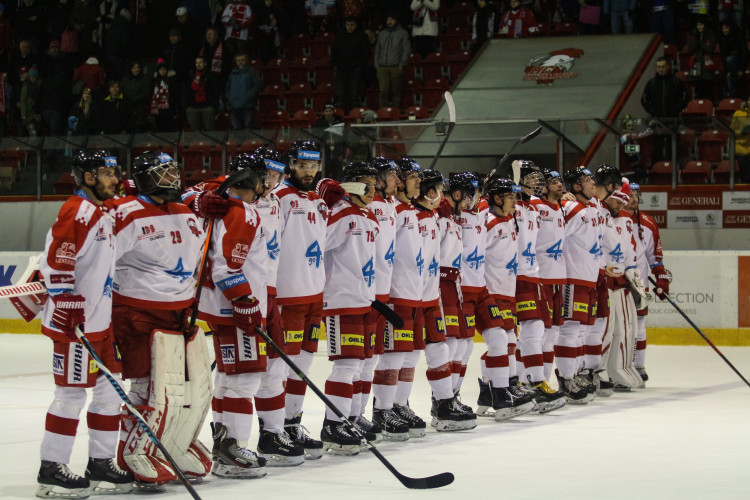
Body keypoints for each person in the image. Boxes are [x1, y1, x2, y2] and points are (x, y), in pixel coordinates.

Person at [108, 152, 212, 487]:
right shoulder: (126, 214)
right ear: (145, 178)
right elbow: (101, 259)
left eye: (172, 170)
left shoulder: (184, 211)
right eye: (162, 172)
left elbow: (198, 257)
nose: (172, 177)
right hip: (137, 312)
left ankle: (168, 444)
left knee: (187, 387)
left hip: (178, 313)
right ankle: (132, 451)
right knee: (147, 385)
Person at [36, 150, 134, 498]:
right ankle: (51, 469)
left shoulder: (103, 212)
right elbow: (58, 255)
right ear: (88, 177)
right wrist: (64, 298)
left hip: (100, 323)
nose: (115, 179)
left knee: (109, 395)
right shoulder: (77, 209)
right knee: (71, 394)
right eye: (107, 173)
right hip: (73, 323)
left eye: (116, 172)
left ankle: (101, 461)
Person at [193, 155, 273, 478]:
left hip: (218, 307)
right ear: (252, 182)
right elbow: (228, 265)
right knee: (245, 378)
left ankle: (224, 445)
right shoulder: (243, 212)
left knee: (228, 377)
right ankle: (234, 447)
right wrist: (246, 301)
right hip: (235, 309)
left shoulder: (223, 205)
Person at [316, 161, 381, 455]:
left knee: (363, 364)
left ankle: (352, 418)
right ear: (354, 185)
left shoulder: (369, 217)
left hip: (364, 300)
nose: (374, 190)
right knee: (347, 365)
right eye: (369, 184)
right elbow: (315, 247)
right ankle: (334, 424)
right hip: (342, 302)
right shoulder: (341, 215)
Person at [272, 140, 328, 459]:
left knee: (303, 364)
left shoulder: (318, 200)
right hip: (288, 296)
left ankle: (292, 424)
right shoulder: (280, 197)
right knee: (282, 366)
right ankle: (274, 429)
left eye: (313, 165)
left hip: (314, 296)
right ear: (291, 164)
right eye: (302, 165)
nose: (308, 171)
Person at [414, 169, 477, 431]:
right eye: (468, 197)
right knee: (447, 342)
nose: (470, 203)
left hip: (454, 284)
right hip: (438, 283)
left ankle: (451, 396)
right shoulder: (438, 217)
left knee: (464, 344)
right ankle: (441, 402)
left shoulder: (451, 218)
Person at [371, 158, 422, 440]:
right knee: (393, 353)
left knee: (410, 353)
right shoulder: (388, 208)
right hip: (394, 291)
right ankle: (383, 408)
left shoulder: (402, 208)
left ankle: (399, 404)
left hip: (413, 289)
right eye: (408, 176)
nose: (413, 182)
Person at [512, 160, 566, 413]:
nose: (538, 182)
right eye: (531, 177)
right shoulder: (511, 206)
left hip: (534, 277)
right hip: (516, 278)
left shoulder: (532, 209)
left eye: (538, 177)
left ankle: (527, 382)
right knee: (524, 333)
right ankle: (529, 383)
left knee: (536, 331)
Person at [558, 167, 608, 399]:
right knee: (571, 329)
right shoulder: (571, 208)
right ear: (576, 186)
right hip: (573, 277)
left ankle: (576, 373)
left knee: (584, 330)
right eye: (587, 180)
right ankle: (566, 379)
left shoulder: (593, 207)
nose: (592, 184)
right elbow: (553, 236)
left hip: (589, 277)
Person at [626, 182, 670, 385]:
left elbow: (655, 258)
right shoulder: (607, 219)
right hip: (615, 283)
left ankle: (638, 366)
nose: (634, 198)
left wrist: (661, 277)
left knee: (639, 324)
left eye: (637, 195)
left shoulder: (648, 223)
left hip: (638, 284)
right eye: (630, 194)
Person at [640, 57, 688, 161]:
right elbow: (644, 100)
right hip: (657, 121)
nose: (661, 69)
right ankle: (656, 170)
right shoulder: (652, 83)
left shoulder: (676, 81)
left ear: (668, 67)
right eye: (658, 67)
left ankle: (674, 168)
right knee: (657, 148)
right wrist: (652, 111)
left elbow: (685, 98)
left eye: (663, 66)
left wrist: (676, 110)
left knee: (674, 148)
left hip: (673, 121)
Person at [332, 16, 370, 114]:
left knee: (354, 95)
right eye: (348, 25)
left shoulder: (362, 37)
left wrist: (360, 67)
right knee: (340, 95)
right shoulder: (340, 36)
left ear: (356, 25)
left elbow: (366, 53)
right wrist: (335, 64)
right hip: (341, 70)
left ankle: (355, 116)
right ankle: (340, 118)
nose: (349, 27)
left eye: (352, 25)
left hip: (355, 70)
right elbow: (334, 52)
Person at [374, 14, 411, 109]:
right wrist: (377, 65)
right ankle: (383, 112)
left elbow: (406, 49)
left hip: (396, 66)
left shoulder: (403, 33)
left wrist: (402, 64)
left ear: (396, 20)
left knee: (396, 91)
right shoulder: (382, 34)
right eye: (388, 19)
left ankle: (395, 112)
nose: (390, 22)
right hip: (382, 67)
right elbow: (377, 50)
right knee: (383, 91)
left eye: (392, 19)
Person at [225, 53, 261, 131]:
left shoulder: (252, 71)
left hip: (247, 105)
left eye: (242, 60)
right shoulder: (232, 73)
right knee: (236, 129)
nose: (240, 62)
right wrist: (230, 98)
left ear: (246, 61)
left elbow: (257, 86)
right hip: (234, 105)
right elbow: (228, 87)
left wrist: (248, 96)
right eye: (238, 60)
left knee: (248, 128)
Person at [685, 16, 716, 100]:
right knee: (698, 91)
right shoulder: (692, 34)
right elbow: (691, 49)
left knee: (708, 90)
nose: (699, 27)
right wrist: (696, 39)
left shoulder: (710, 34)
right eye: (697, 25)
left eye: (701, 25)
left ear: (705, 25)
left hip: (707, 65)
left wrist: (700, 41)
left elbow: (709, 49)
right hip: (696, 64)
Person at [185, 56, 219, 131]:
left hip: (207, 106)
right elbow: (187, 91)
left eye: (200, 62)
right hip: (193, 106)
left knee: (210, 129)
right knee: (194, 130)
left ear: (205, 64)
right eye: (197, 63)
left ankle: (210, 142)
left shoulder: (211, 75)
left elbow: (215, 91)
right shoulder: (191, 75)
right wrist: (187, 105)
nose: (198, 64)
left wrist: (213, 105)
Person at [314, 103, 345, 177]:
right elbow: (316, 139)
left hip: (337, 155)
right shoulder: (319, 124)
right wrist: (324, 142)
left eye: (330, 111)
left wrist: (342, 154)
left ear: (333, 111)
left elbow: (344, 140)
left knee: (338, 176)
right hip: (325, 155)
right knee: (325, 176)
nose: (328, 113)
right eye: (326, 111)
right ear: (324, 112)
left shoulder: (339, 123)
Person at [717, 21, 746, 99]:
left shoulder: (738, 36)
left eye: (726, 28)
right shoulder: (721, 38)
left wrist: (741, 69)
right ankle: (733, 100)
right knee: (729, 79)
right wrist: (727, 71)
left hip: (738, 62)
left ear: (730, 28)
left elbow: (744, 53)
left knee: (730, 59)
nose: (724, 30)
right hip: (730, 67)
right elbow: (723, 56)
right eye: (722, 28)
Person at [120, 61, 152, 133]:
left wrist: (133, 99)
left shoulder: (144, 79)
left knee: (138, 132)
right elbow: (121, 91)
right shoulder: (125, 79)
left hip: (139, 110)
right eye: (134, 68)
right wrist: (126, 100)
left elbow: (146, 93)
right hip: (127, 109)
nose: (136, 70)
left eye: (137, 68)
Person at [149, 59, 178, 132]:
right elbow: (151, 95)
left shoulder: (171, 80)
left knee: (169, 129)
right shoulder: (154, 81)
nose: (162, 71)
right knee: (160, 130)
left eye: (164, 69)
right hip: (158, 111)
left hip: (169, 110)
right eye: (161, 69)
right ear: (158, 71)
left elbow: (175, 95)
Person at [731, 96, 750, 182]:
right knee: (745, 176)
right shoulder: (738, 114)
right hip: (741, 149)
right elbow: (731, 131)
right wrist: (742, 132)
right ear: (747, 101)